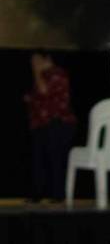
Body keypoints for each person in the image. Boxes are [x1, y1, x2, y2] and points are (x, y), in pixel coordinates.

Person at [23, 51, 76, 202]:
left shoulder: (56, 74)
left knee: (55, 158)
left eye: (37, 60)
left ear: (46, 59)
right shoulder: (43, 75)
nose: (34, 64)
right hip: (41, 123)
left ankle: (58, 195)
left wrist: (37, 72)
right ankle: (38, 194)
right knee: (39, 159)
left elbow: (44, 91)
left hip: (58, 123)